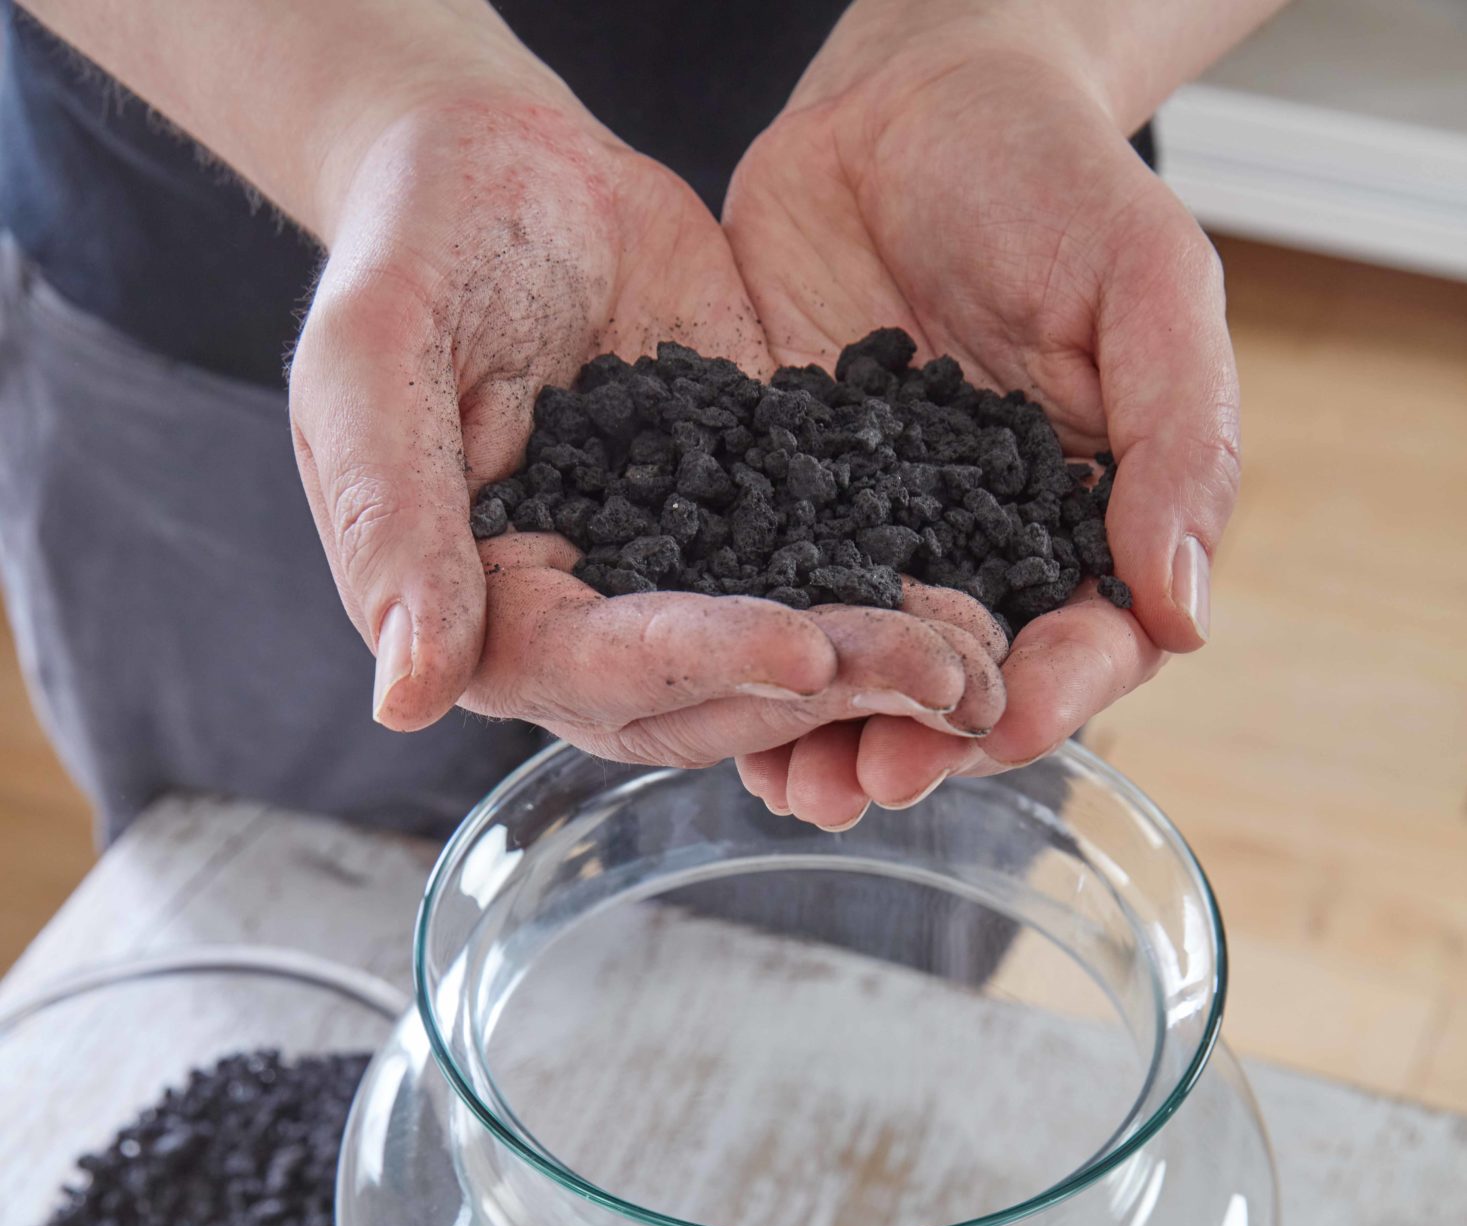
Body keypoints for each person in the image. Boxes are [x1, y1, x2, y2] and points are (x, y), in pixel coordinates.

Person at [0, 0, 1280, 841]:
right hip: (225, 220)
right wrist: (385, 109)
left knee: (838, 978)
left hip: (973, 239)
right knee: (279, 896)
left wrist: (1013, 37)